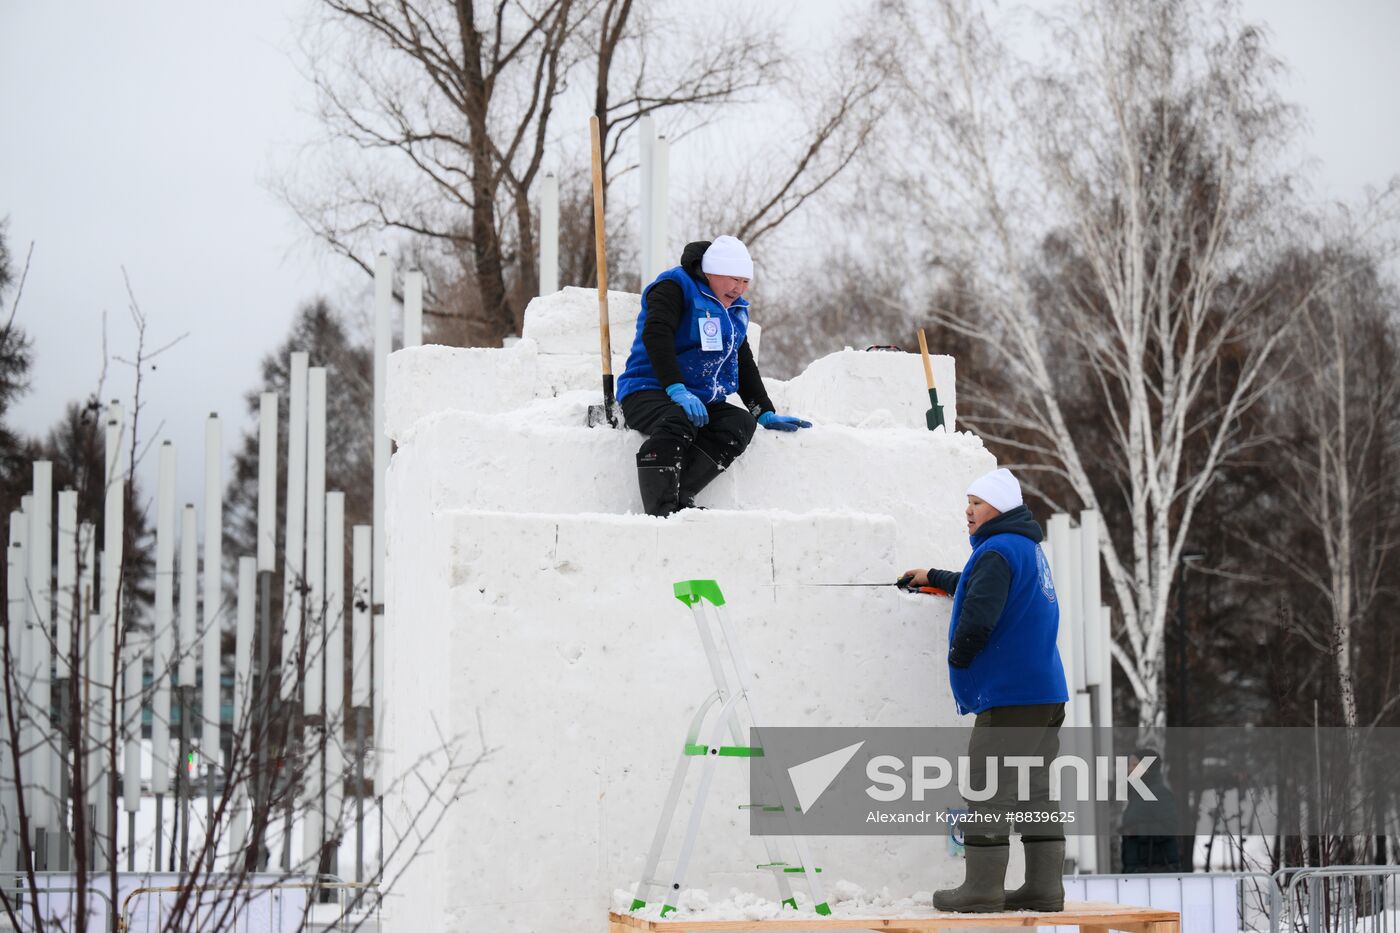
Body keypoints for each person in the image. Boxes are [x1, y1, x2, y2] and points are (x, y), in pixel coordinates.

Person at [902, 468, 1070, 913]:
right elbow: (981, 586)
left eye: (977, 502)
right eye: (968, 502)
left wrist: (959, 655)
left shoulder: (996, 551)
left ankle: (981, 889)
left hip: (1011, 696)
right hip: (1046, 692)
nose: (968, 510)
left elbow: (979, 613)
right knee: (1035, 789)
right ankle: (1044, 888)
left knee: (988, 788)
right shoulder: (1024, 547)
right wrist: (934, 575)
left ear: (1000, 506)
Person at [616, 235, 810, 516]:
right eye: (734, 279)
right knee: (677, 418)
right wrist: (676, 389)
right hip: (648, 389)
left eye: (745, 282)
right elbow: (656, 334)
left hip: (699, 398)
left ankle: (681, 495)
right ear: (711, 271)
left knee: (739, 424)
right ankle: (661, 510)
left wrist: (763, 411)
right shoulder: (674, 287)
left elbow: (742, 361)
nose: (739, 289)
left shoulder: (732, 309)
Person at [1120, 747, 1183, 873]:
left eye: (1134, 765)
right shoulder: (1138, 793)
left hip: (1156, 871)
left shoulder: (1159, 793)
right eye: (1129, 765)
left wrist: (1137, 830)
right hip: (1138, 868)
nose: (1129, 769)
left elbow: (1170, 827)